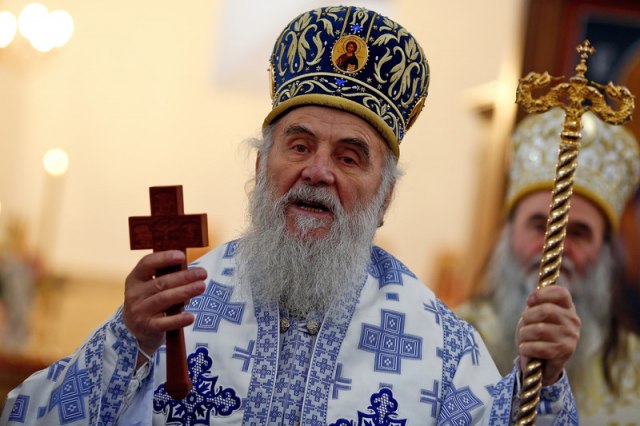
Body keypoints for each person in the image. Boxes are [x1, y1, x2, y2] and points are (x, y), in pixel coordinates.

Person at [1, 6, 580, 425]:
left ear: (384, 199)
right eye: (299, 146)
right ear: (261, 168)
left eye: (349, 157)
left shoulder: (441, 346)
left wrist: (546, 381)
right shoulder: (176, 308)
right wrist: (127, 340)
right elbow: (27, 414)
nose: (318, 171)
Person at [457, 107, 640, 424]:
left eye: (579, 232)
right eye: (539, 225)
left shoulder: (634, 368)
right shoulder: (453, 338)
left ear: (605, 252)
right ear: (508, 233)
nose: (556, 248)